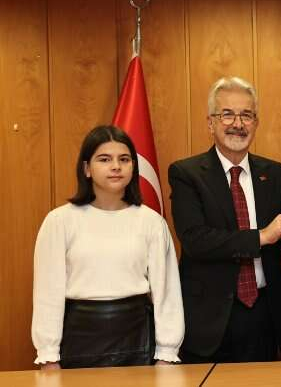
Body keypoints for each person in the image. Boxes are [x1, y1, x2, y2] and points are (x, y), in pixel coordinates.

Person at [168, 77, 281, 363]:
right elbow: (195, 240)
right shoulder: (186, 174)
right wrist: (261, 236)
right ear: (210, 123)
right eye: (227, 114)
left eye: (246, 115)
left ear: (256, 123)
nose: (238, 124)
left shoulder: (276, 174)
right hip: (209, 320)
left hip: (265, 315)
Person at [32, 125, 184, 369]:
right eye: (104, 159)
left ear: (133, 167)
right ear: (86, 169)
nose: (116, 166)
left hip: (136, 337)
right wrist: (48, 355)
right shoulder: (59, 221)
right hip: (79, 338)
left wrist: (167, 353)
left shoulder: (151, 222)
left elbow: (167, 294)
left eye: (124, 159)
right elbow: (47, 295)